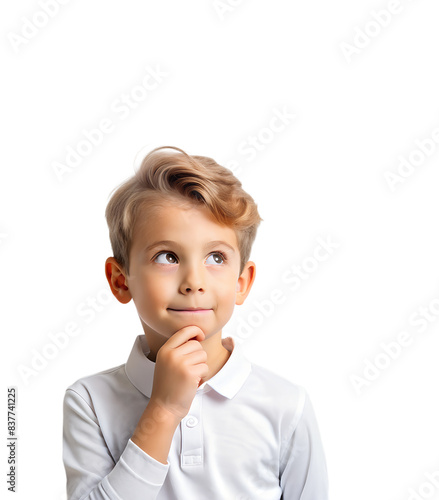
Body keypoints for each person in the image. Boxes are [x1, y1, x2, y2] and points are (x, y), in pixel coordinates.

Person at [62, 145, 329, 499]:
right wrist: (164, 408)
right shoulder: (91, 402)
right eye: (167, 256)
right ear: (121, 281)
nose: (194, 281)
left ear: (241, 282)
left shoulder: (286, 405)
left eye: (216, 257)